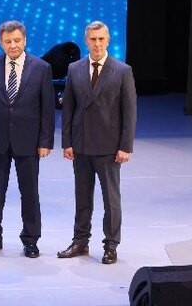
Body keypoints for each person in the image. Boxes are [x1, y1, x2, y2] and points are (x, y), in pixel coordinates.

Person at [0, 20, 56, 258]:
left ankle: (31, 240)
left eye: (17, 40)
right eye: (8, 41)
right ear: (1, 42)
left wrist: (45, 141)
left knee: (29, 193)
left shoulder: (41, 68)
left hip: (29, 141)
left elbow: (47, 109)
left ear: (25, 40)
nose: (13, 45)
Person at [57, 20, 137, 265]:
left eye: (101, 39)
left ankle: (111, 245)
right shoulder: (74, 69)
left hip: (109, 147)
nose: (97, 43)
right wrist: (67, 142)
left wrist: (125, 146)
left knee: (111, 200)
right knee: (82, 197)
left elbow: (129, 112)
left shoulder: (122, 71)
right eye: (93, 39)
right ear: (86, 41)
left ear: (108, 40)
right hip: (81, 145)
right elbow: (68, 109)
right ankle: (80, 241)